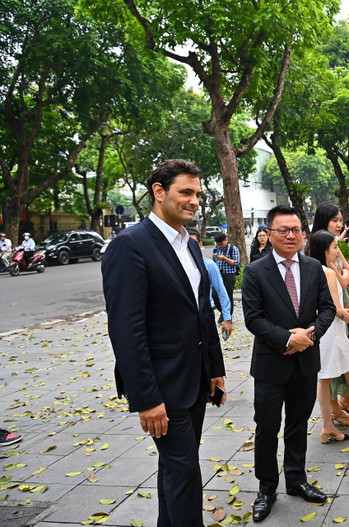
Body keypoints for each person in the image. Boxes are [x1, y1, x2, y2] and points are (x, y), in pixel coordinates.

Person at [102, 159, 226, 527]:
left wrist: (215, 370)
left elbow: (203, 312)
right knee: (184, 470)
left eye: (197, 194)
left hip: (195, 379)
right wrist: (146, 398)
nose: (194, 201)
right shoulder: (130, 245)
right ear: (159, 192)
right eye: (185, 192)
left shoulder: (189, 245)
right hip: (161, 387)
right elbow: (126, 330)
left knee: (175, 468)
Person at [242, 205, 336, 522]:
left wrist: (308, 335)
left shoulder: (313, 268)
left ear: (303, 233)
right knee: (267, 428)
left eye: (296, 230)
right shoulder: (255, 271)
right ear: (269, 234)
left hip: (306, 363)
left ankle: (296, 480)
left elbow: (327, 309)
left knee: (297, 426)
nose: (290, 235)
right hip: (271, 365)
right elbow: (253, 318)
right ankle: (266, 488)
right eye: (283, 230)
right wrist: (286, 339)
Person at [309, 230, 349, 448]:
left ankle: (327, 427)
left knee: (324, 380)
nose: (338, 251)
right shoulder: (327, 273)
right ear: (324, 250)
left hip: (319, 332)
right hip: (334, 332)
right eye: (335, 247)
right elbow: (338, 310)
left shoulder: (309, 269)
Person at [310, 202, 349, 426]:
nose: (339, 224)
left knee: (346, 363)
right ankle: (335, 412)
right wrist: (342, 277)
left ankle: (343, 405)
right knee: (330, 369)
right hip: (332, 315)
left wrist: (343, 277)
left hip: (343, 307)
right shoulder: (318, 247)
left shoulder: (334, 245)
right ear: (324, 221)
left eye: (341, 220)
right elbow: (337, 278)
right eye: (335, 220)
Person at [188, 229, 233, 339]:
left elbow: (221, 291)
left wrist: (227, 318)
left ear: (200, 244)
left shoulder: (209, 266)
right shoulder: (176, 266)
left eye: (193, 243)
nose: (188, 246)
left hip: (205, 314)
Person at [212, 232, 240, 323]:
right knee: (215, 296)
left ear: (226, 240)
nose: (220, 245)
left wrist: (224, 258)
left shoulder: (233, 249)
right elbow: (214, 262)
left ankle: (228, 316)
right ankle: (223, 313)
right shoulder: (216, 249)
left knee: (228, 296)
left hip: (229, 275)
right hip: (218, 275)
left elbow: (236, 262)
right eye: (218, 243)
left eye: (221, 243)